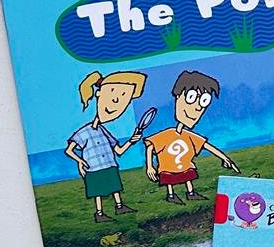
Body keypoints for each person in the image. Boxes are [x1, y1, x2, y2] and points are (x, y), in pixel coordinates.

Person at [144, 70, 240, 204]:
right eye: (191, 98)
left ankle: (190, 193)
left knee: (188, 176)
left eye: (203, 102)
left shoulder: (189, 136)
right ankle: (171, 195)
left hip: (185, 166)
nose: (197, 108)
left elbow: (207, 146)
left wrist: (225, 158)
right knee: (169, 179)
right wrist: (149, 166)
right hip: (167, 168)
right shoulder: (166, 134)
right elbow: (150, 146)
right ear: (178, 97)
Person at [64, 70, 147, 223]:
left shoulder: (104, 131)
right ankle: (99, 213)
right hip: (93, 167)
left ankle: (119, 206)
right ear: (99, 94)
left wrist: (131, 141)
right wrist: (80, 161)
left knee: (114, 186)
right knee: (98, 191)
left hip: (109, 164)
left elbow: (118, 150)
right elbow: (69, 150)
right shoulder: (84, 131)